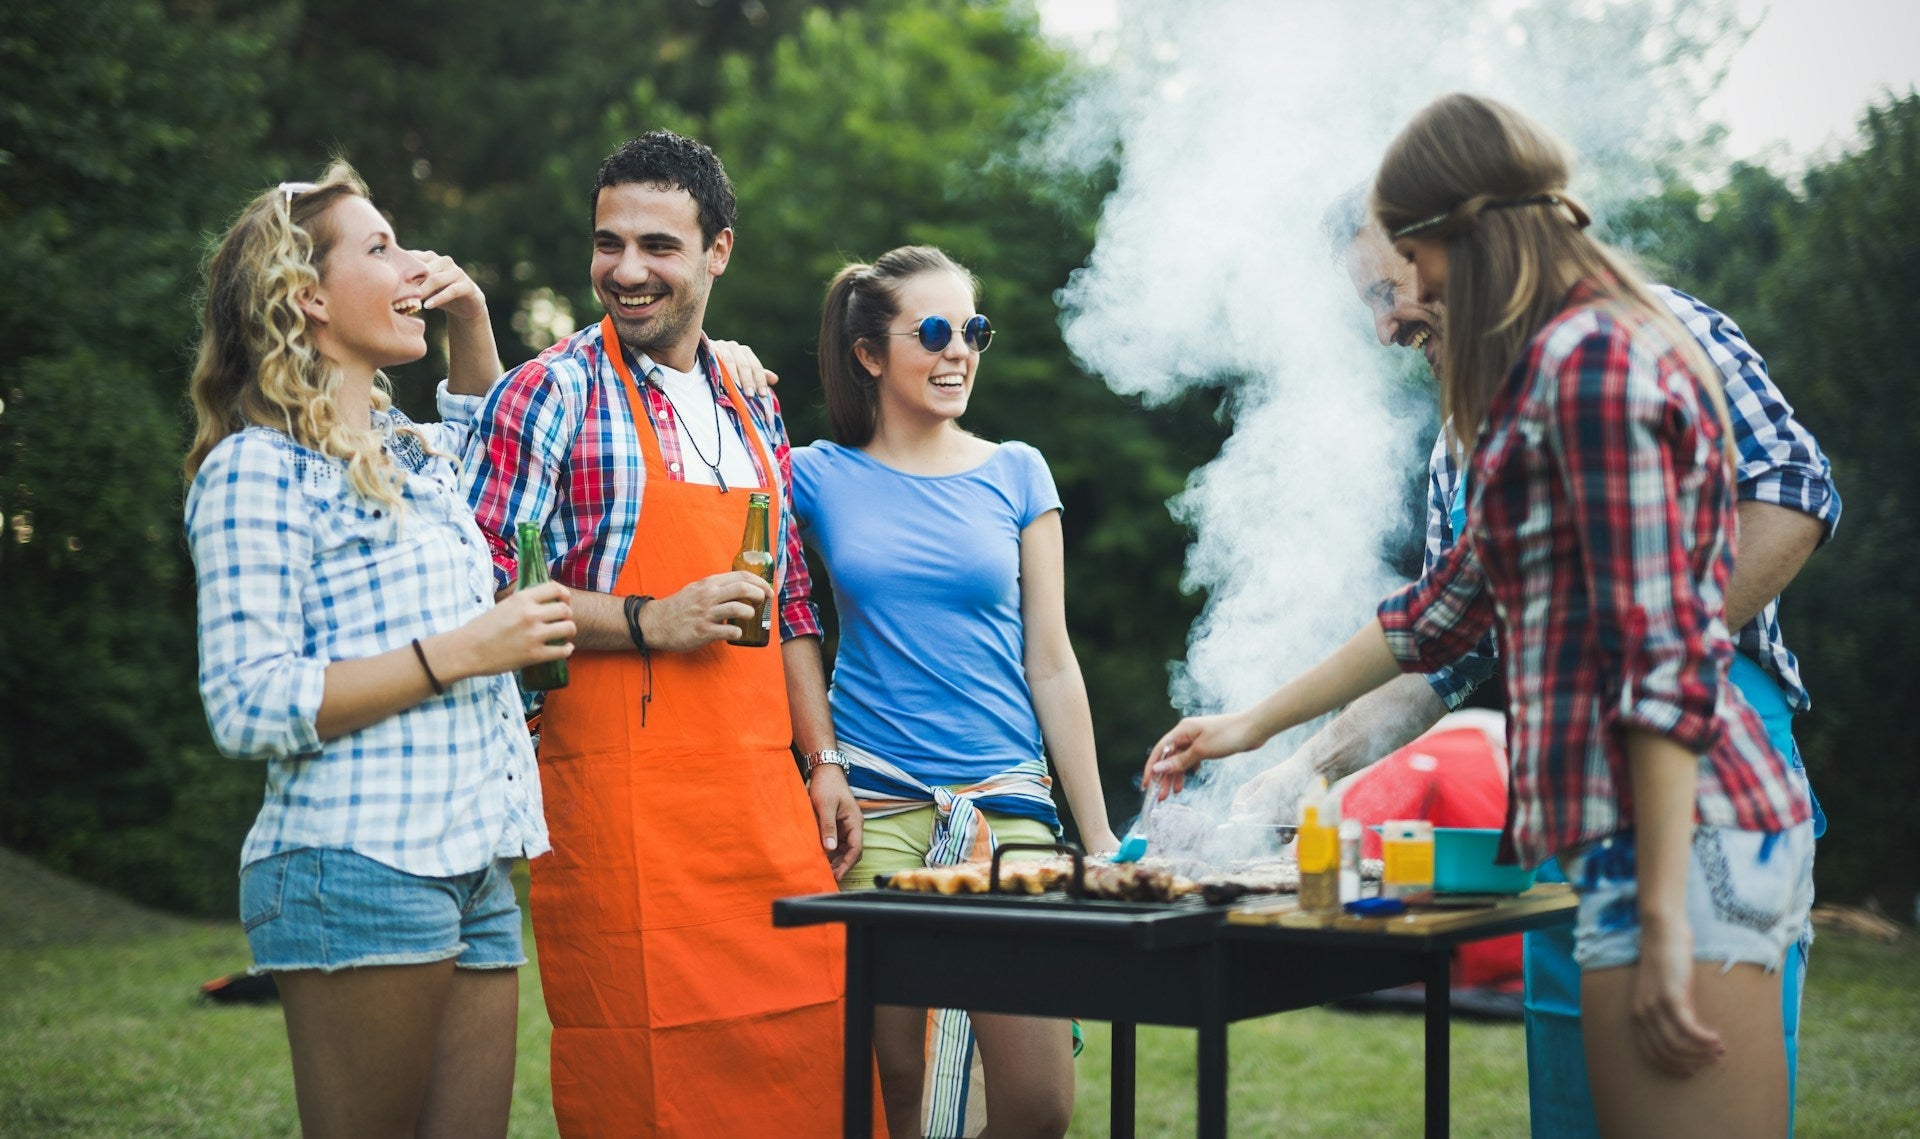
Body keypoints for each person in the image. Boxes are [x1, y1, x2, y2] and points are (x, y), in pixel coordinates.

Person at [1150, 94, 1816, 1137]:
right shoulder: (1516, 392)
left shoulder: (1594, 362)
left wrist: (1656, 911)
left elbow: (1660, 649)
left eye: (1405, 264)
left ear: (1457, 234)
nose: (1398, 305)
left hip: (1683, 820)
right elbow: (1442, 615)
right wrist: (1261, 730)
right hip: (1602, 816)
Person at [461, 130, 863, 1137]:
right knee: (644, 1088)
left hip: (763, 800)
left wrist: (822, 760)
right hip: (622, 809)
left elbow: (794, 608)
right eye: (607, 244)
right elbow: (482, 588)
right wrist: (652, 618)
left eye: (658, 246)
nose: (626, 271)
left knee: (807, 1058)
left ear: (718, 250)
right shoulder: (548, 390)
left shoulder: (753, 401)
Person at [184, 162, 574, 1138]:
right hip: (355, 861)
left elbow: (498, 451)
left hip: (474, 862)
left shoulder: (410, 453)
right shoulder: (256, 469)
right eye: (381, 247)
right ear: (307, 295)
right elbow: (248, 703)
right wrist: (463, 649)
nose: (416, 264)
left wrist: (472, 320)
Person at [795, 245, 1119, 1139]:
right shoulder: (815, 475)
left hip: (1008, 808)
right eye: (932, 332)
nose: (958, 352)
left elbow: (1050, 659)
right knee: (903, 1095)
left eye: (971, 330)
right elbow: (784, 613)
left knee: (1039, 1103)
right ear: (869, 353)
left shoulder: (1018, 470)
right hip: (876, 807)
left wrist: (1097, 836)